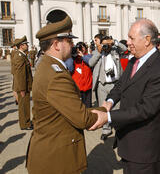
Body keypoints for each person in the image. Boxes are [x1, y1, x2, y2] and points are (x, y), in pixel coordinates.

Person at [90, 19, 160, 174]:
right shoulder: (134, 60)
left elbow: (145, 109)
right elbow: (121, 85)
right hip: (129, 143)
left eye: (131, 38)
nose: (127, 42)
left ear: (147, 40)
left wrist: (107, 117)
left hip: (144, 150)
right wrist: (109, 101)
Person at [26, 16, 106, 174]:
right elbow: (82, 118)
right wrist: (106, 113)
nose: (72, 45)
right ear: (56, 44)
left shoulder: (48, 66)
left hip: (50, 152)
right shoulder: (56, 75)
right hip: (56, 160)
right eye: (69, 41)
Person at [88, 34, 127, 140]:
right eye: (103, 44)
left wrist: (114, 42)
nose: (105, 47)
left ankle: (119, 128)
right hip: (102, 84)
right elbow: (90, 63)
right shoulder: (98, 51)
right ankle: (106, 129)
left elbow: (125, 49)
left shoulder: (115, 50)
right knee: (103, 107)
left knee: (117, 107)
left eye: (107, 44)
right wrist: (99, 52)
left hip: (115, 84)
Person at [13, 36, 33, 130]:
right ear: (21, 46)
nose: (27, 45)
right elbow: (20, 75)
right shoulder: (19, 56)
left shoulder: (22, 55)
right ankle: (25, 124)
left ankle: (26, 121)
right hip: (23, 86)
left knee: (25, 105)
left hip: (25, 85)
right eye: (26, 44)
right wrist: (22, 88)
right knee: (23, 105)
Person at [65, 42, 93, 108]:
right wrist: (72, 55)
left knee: (88, 107)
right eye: (79, 48)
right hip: (78, 88)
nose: (81, 49)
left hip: (88, 87)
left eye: (82, 47)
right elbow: (70, 68)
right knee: (79, 108)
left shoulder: (88, 56)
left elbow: (91, 62)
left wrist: (82, 56)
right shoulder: (72, 59)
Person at [10, 41, 19, 105]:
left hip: (15, 70)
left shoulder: (14, 51)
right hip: (16, 70)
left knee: (16, 85)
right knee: (16, 85)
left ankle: (17, 98)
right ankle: (17, 99)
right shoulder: (15, 52)